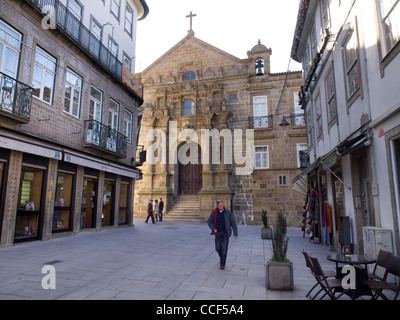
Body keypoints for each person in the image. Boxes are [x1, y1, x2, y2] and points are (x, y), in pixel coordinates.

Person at [208, 200, 238, 270]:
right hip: (217, 233)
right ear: (217, 206)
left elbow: (233, 223)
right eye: (219, 205)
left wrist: (235, 233)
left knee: (224, 249)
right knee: (217, 248)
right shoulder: (214, 213)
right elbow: (209, 222)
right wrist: (213, 229)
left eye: (222, 205)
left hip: (225, 233)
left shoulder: (228, 213)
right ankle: (222, 257)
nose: (221, 206)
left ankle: (222, 264)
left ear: (223, 205)